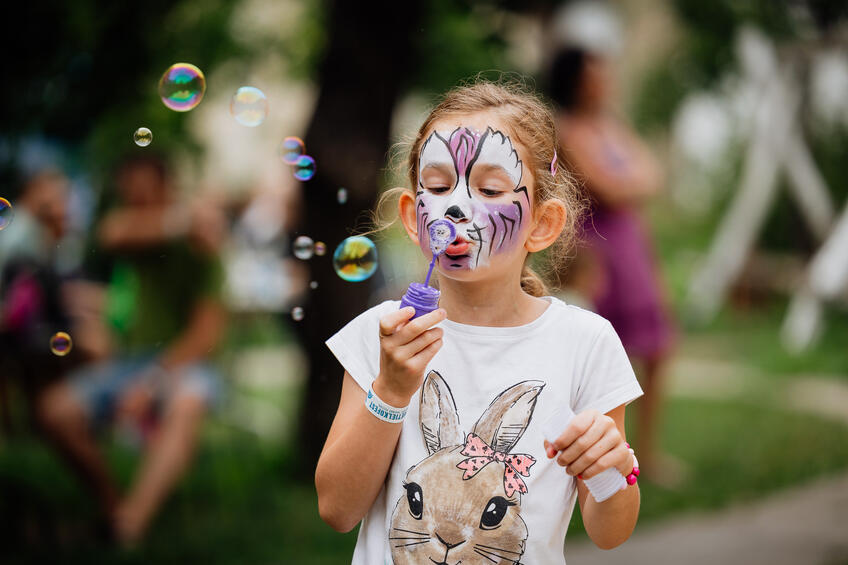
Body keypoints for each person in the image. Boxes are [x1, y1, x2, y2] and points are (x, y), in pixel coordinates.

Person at [315, 80, 643, 564]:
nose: (455, 207)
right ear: (412, 215)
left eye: (489, 189)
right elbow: (338, 510)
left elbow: (609, 532)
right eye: (439, 186)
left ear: (542, 224)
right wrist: (390, 391)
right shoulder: (384, 335)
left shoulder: (585, 343)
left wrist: (613, 468)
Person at [36, 154, 227, 545]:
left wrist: (154, 380)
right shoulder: (143, 232)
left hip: (184, 363)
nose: (136, 204)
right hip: (127, 363)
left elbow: (205, 337)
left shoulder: (204, 253)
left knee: (187, 401)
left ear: (167, 188)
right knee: (55, 412)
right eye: (130, 195)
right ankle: (113, 506)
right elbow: (113, 232)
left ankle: (128, 527)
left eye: (145, 194)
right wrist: (184, 219)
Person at [549, 46, 681, 484]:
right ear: (575, 80)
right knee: (603, 356)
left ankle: (648, 454)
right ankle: (592, 457)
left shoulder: (609, 126)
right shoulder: (566, 130)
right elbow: (608, 189)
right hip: (597, 252)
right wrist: (630, 183)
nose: (604, 80)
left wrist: (630, 183)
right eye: (594, 73)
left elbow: (652, 175)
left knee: (658, 347)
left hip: (633, 247)